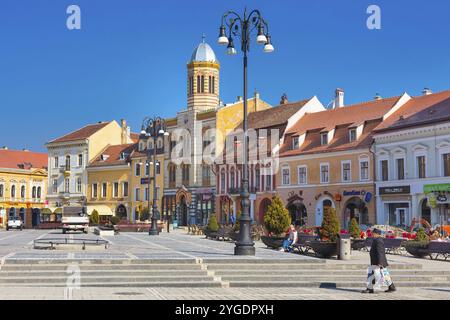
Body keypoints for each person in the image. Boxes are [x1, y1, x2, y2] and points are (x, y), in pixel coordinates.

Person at [362, 228, 397, 294]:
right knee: (384, 274)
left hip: (377, 262)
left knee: (372, 274)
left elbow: (380, 252)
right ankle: (391, 287)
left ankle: (370, 288)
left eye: (373, 233)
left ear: (376, 234)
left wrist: (380, 262)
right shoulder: (377, 240)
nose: (372, 234)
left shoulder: (378, 240)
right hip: (377, 261)